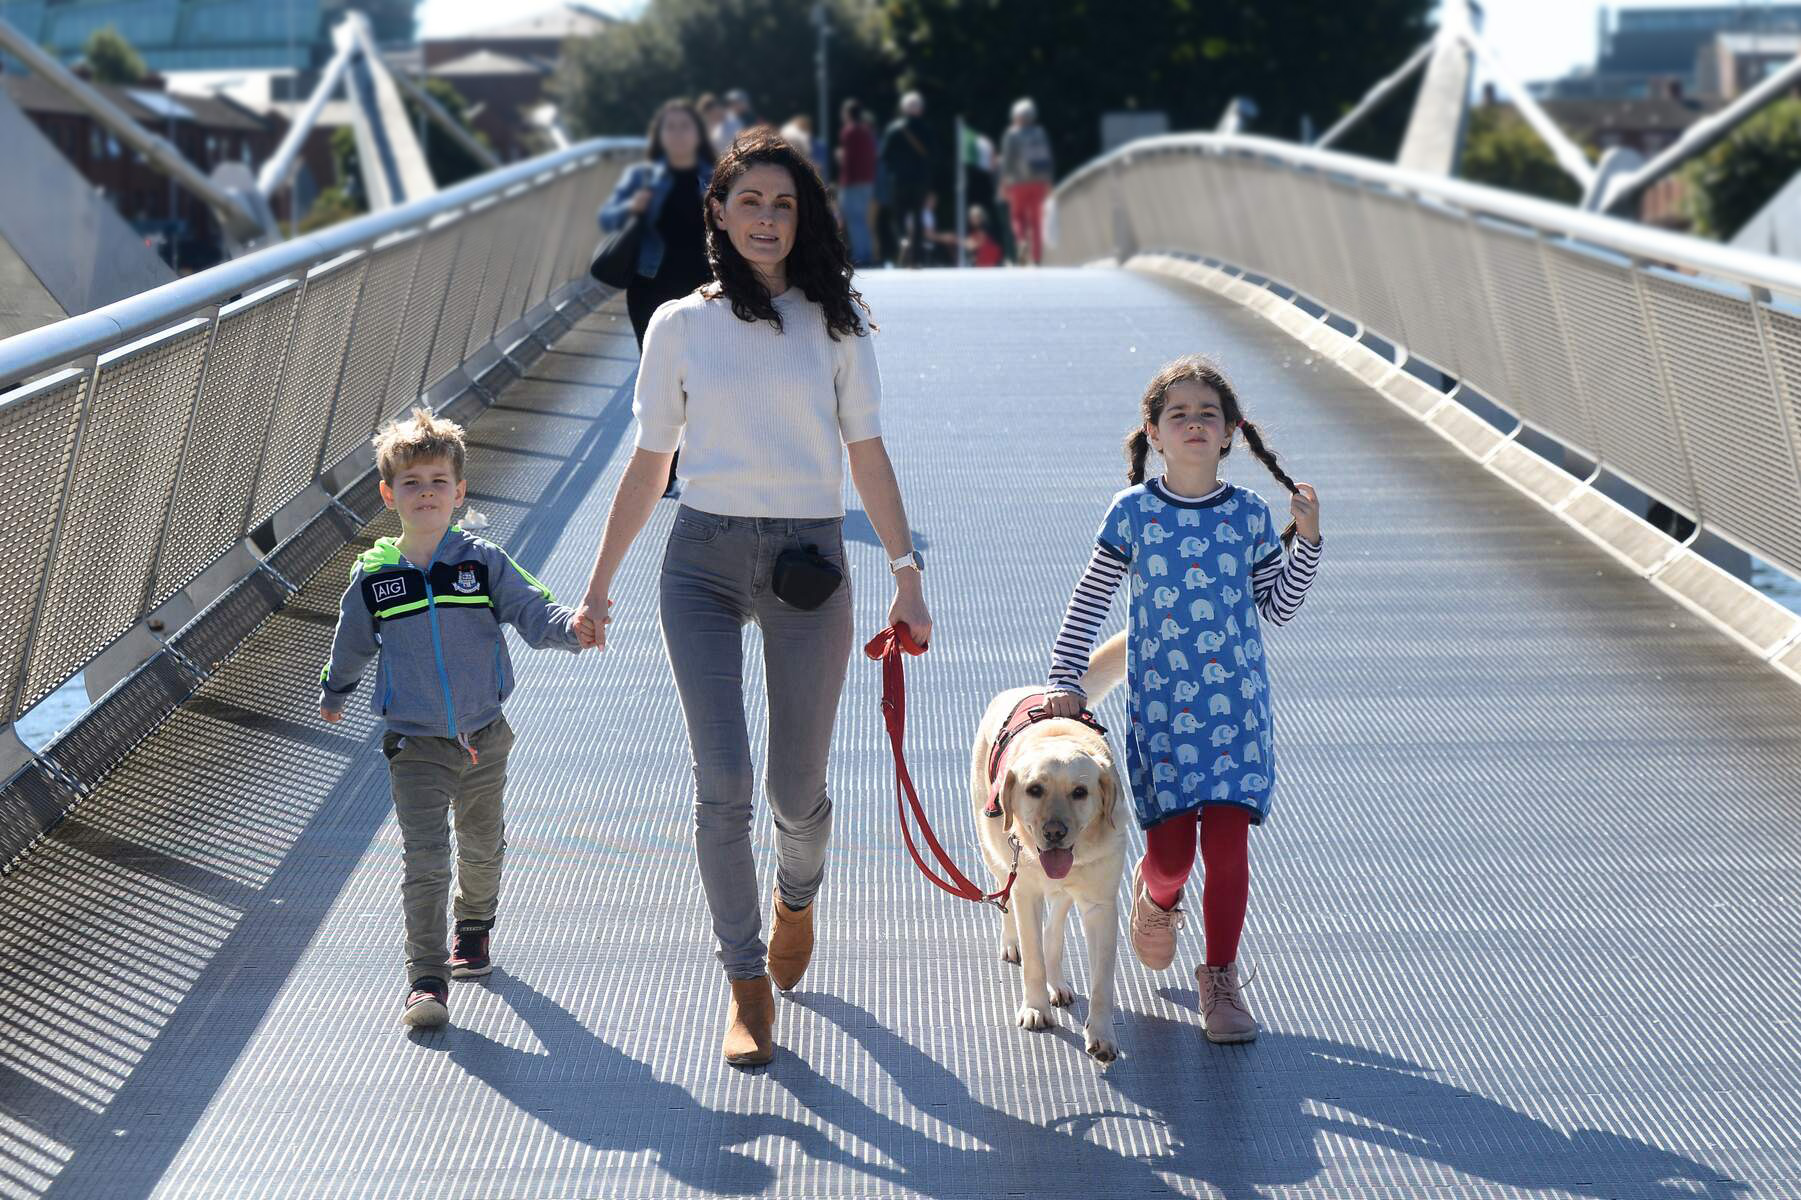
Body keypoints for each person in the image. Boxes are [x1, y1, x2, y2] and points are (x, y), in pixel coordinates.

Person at [573, 127, 933, 1068]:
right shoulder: (678, 326)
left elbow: (868, 455)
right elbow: (651, 464)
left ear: (803, 213)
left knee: (794, 791)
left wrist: (905, 573)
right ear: (718, 216)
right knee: (722, 786)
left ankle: (798, 899)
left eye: (782, 204)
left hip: (808, 560)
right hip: (700, 558)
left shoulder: (835, 323)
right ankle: (744, 989)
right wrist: (599, 586)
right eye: (748, 204)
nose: (766, 220)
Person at [1041, 356, 1323, 1044]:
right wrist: (1064, 678)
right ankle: (1157, 895)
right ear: (1153, 434)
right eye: (1179, 414)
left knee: (1227, 844)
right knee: (1173, 855)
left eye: (1208, 414)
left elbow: (1277, 607)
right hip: (1162, 713)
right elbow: (1091, 596)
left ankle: (1220, 978)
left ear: (1230, 433)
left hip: (1237, 711)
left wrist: (1307, 541)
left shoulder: (1248, 514)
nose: (1194, 424)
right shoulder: (1133, 512)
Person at [318, 409, 585, 1029]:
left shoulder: (481, 562)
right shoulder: (375, 577)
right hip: (414, 743)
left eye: (439, 481)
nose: (428, 492)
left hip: (484, 735)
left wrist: (572, 629)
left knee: (482, 845)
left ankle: (474, 927)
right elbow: (352, 640)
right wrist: (337, 690)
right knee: (426, 857)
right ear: (389, 495)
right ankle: (426, 977)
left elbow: (531, 607)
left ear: (460, 492)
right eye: (412, 483)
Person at [599, 99, 717, 496]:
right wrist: (633, 209)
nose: (678, 134)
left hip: (703, 291)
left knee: (701, 378)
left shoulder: (716, 176)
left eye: (686, 127)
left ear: (697, 133)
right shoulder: (644, 176)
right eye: (670, 128)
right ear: (660, 135)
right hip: (650, 288)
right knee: (658, 381)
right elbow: (607, 221)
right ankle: (662, 472)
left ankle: (693, 460)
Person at [880, 91, 933, 268]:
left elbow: (884, 155)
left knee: (898, 215)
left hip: (899, 179)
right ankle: (915, 258)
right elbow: (933, 156)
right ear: (921, 109)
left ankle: (903, 240)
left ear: (903, 108)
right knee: (918, 216)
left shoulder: (894, 129)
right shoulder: (926, 130)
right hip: (920, 180)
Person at [1000, 98, 1055, 265]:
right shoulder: (1040, 133)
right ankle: (1037, 258)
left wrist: (1004, 184)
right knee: (1037, 221)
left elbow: (1007, 162)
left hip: (1018, 183)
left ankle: (1021, 242)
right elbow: (1048, 159)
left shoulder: (1012, 134)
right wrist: (1049, 183)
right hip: (1038, 183)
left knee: (1017, 217)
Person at [836, 99, 878, 266]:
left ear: (847, 113)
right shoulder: (867, 131)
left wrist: (840, 157)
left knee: (854, 219)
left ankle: (861, 256)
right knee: (862, 219)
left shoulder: (849, 131)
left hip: (852, 181)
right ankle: (867, 253)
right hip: (867, 180)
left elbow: (849, 159)